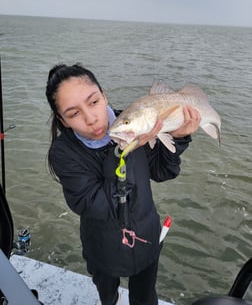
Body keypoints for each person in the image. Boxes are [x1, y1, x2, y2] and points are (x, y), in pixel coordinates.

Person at [45, 63, 201, 305]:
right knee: (107, 295)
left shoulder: (136, 123)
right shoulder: (64, 153)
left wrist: (179, 139)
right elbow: (96, 204)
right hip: (102, 245)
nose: (91, 118)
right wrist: (124, 151)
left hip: (147, 233)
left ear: (104, 95)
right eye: (74, 113)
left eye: (94, 102)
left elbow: (162, 171)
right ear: (63, 120)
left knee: (146, 296)